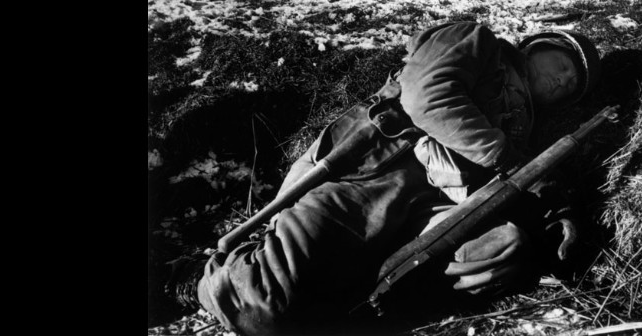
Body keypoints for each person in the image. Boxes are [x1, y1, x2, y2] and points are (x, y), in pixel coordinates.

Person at [196, 21, 602, 335]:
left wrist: (551, 211)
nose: (562, 81)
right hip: (377, 174)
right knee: (266, 306)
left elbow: (511, 185)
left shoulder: (525, 130)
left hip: (439, 207)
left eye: (570, 88)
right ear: (539, 46)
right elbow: (427, 97)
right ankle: (195, 282)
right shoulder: (477, 43)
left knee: (505, 248)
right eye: (564, 66)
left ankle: (371, 308)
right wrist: (508, 160)